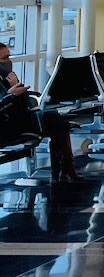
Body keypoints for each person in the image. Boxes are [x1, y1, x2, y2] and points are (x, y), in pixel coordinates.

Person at [0, 43, 83, 182]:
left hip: (18, 121)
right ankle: (66, 169)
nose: (9, 61)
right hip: (5, 128)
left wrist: (15, 86)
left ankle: (65, 168)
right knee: (55, 121)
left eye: (9, 57)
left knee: (54, 120)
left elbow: (25, 104)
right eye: (4, 58)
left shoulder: (6, 78)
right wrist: (10, 95)